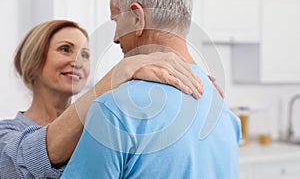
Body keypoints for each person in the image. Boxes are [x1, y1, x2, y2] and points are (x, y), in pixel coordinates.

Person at [62, 0, 241, 178]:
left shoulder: (113, 110)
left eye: (116, 21)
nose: (115, 38)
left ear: (137, 18)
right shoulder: (223, 112)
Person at [0, 19, 204, 178]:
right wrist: (119, 73)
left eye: (85, 55)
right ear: (33, 60)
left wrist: (192, 77)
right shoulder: (6, 135)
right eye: (65, 49)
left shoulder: (101, 122)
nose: (77, 61)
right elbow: (32, 157)